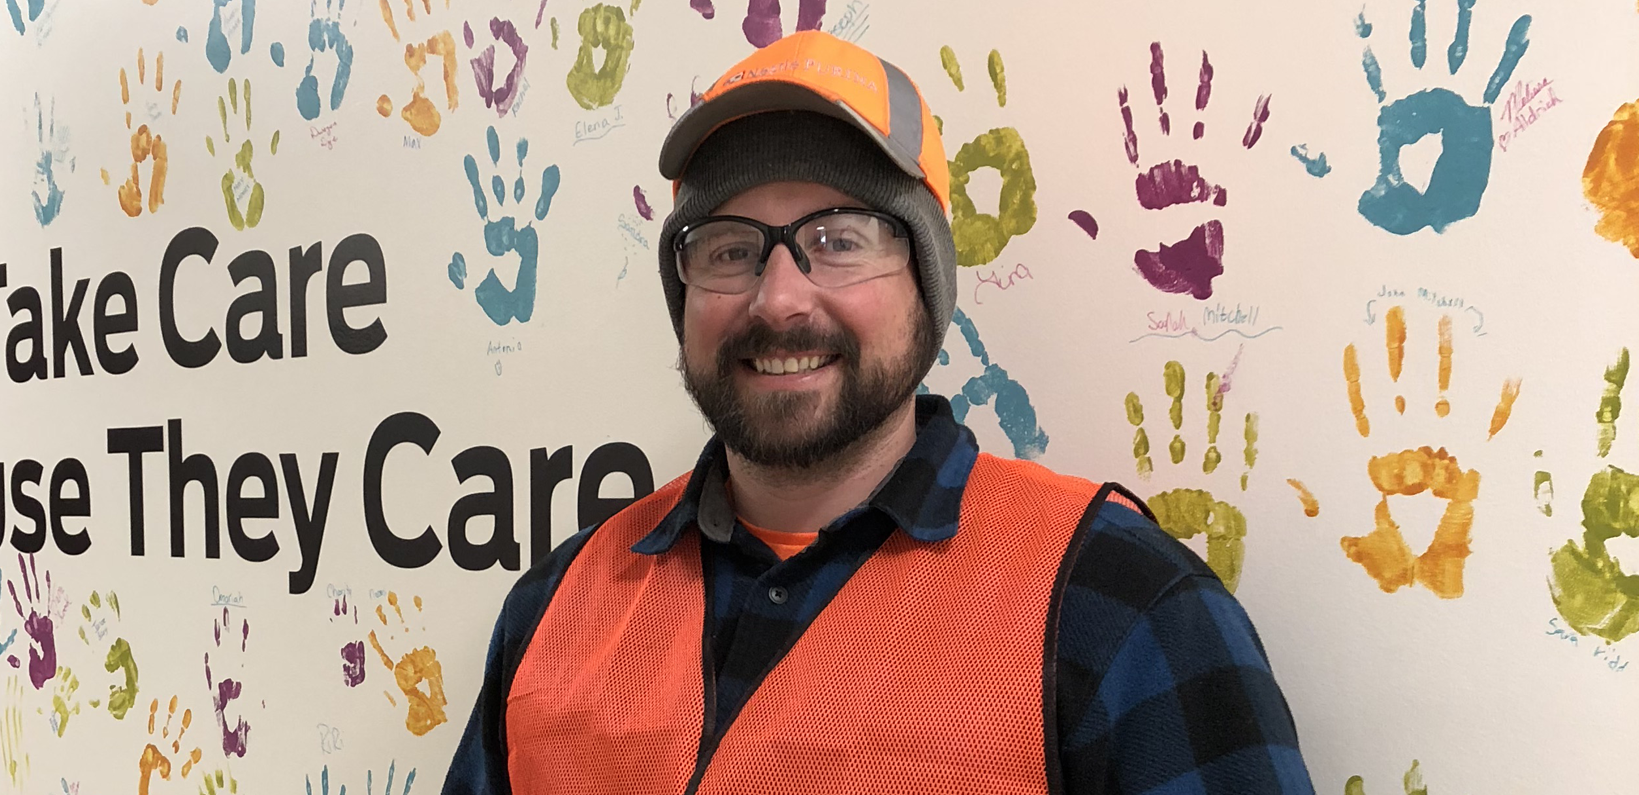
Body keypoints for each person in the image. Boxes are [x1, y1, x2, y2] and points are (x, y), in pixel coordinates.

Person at [441, 31, 1313, 795]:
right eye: (730, 248)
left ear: (925, 288)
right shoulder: (552, 612)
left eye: (838, 240)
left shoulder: (1118, 607)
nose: (779, 298)